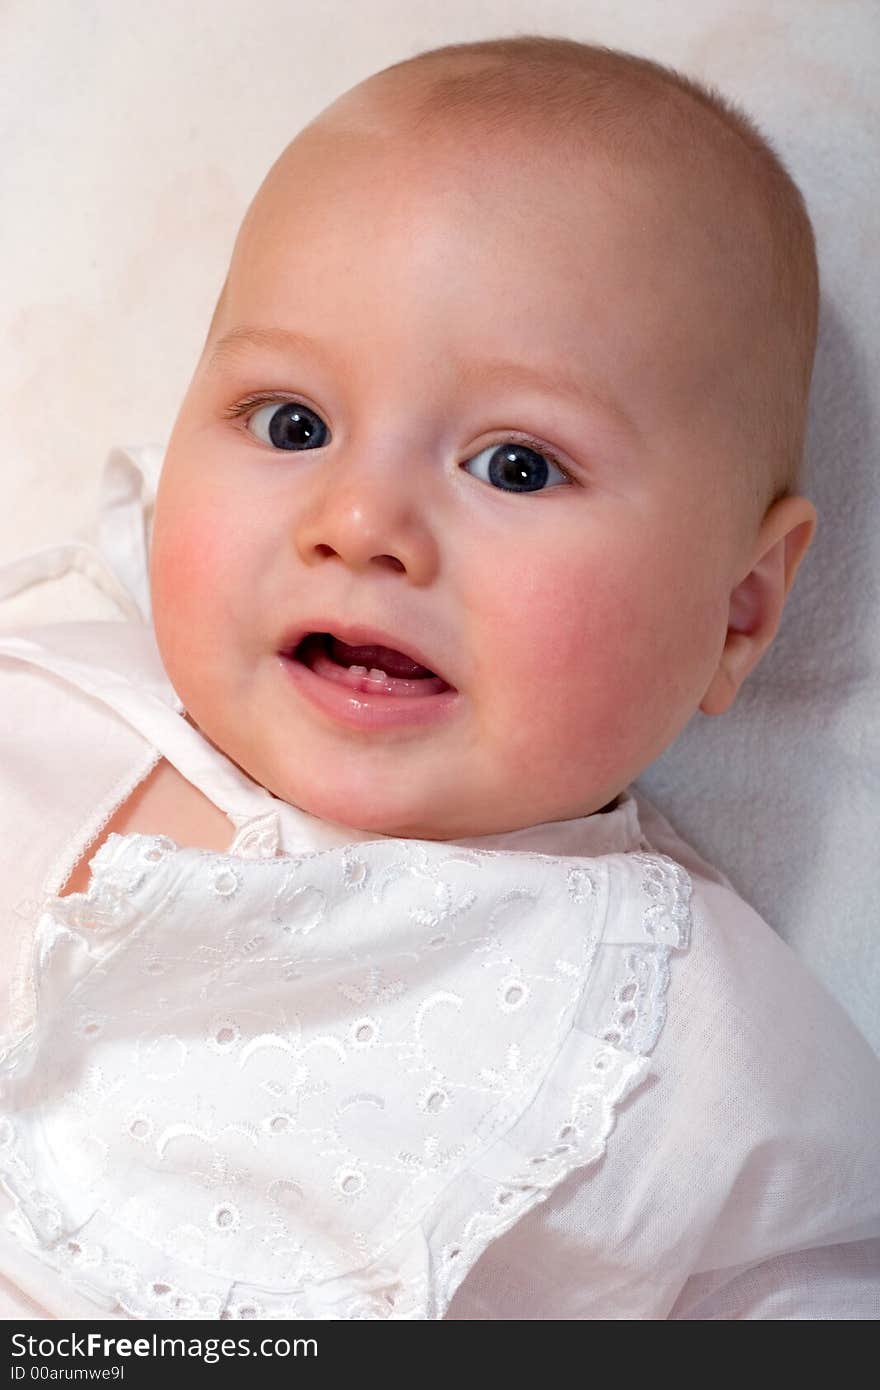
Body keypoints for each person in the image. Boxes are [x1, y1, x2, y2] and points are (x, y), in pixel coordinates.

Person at [0, 35, 877, 1320]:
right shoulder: (54, 688)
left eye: (515, 465)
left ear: (737, 610)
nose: (359, 522)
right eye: (292, 424)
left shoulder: (681, 1035)